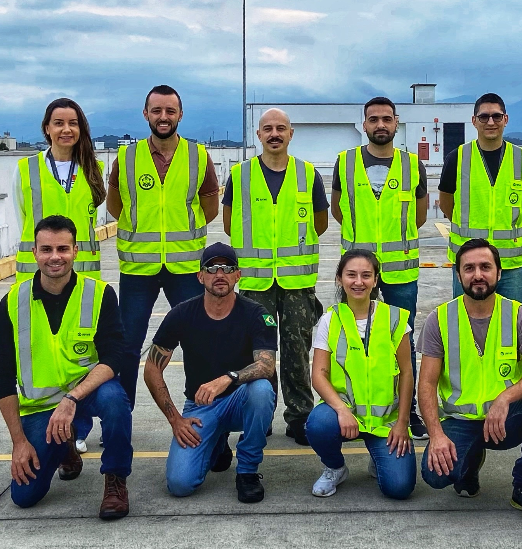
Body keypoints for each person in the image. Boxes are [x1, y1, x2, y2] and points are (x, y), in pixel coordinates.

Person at [0, 215, 132, 520]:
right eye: (47, 249)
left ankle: (115, 480)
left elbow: (115, 356)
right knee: (24, 497)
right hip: (41, 406)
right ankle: (64, 445)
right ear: (35, 252)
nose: (55, 257)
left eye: (63, 249)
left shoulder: (99, 294)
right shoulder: (13, 302)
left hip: (88, 391)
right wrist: (18, 442)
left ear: (76, 250)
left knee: (116, 401)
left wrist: (72, 399)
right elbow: (2, 375)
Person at [418, 238, 522, 521]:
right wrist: (435, 435)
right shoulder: (440, 318)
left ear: (499, 273)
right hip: (461, 420)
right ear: (459, 275)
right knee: (435, 476)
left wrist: (505, 398)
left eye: (485, 267)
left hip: (506, 420)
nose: (478, 274)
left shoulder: (518, 314)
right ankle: (468, 464)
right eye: (469, 268)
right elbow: (427, 384)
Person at [106, 85, 221, 407]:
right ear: (146, 114)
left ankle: (200, 408)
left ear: (180, 115)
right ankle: (121, 412)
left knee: (198, 341)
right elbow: (116, 206)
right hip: (138, 268)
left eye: (170, 111)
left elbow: (209, 208)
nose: (163, 117)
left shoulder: (198, 156)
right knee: (128, 344)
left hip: (186, 268)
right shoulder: (127, 157)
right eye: (156, 110)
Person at [223, 108, 329, 446]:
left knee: (297, 349)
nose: (274, 134)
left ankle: (299, 417)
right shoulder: (239, 176)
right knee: (258, 352)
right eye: (267, 128)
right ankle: (261, 414)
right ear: (258, 134)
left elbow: (320, 223)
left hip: (297, 283)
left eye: (280, 128)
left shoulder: (308, 174)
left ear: (291, 133)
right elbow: (229, 223)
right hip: (255, 285)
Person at [142, 243, 278, 503]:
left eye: (227, 268)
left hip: (241, 401)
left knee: (262, 389)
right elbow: (151, 368)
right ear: (200, 276)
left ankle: (247, 471)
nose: (220, 274)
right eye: (212, 268)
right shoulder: (182, 314)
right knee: (180, 484)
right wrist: (175, 420)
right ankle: (216, 443)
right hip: (201, 406)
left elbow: (266, 365)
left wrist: (228, 377)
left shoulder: (256, 314)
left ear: (238, 275)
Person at [13, 98, 109, 454]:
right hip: (36, 279)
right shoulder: (26, 169)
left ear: (81, 129)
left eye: (73, 123)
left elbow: (95, 220)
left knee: (83, 353)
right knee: (41, 354)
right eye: (58, 122)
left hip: (83, 278)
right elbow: (21, 214)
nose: (66, 129)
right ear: (47, 129)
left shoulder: (92, 169)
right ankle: (42, 421)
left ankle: (78, 427)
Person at [330, 96, 429, 440]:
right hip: (357, 272)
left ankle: (408, 409)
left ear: (396, 122)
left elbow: (419, 215)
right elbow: (338, 210)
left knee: (403, 345)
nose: (380, 125)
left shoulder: (412, 165)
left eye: (387, 119)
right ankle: (352, 408)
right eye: (373, 119)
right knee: (353, 342)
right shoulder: (345, 162)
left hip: (400, 272)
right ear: (364, 124)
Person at [306, 249, 416, 499]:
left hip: (385, 420)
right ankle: (335, 467)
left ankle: (379, 459)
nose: (358, 282)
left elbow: (408, 374)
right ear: (339, 279)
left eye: (366, 275)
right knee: (318, 424)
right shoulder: (330, 320)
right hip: (344, 412)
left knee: (399, 488)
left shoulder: (395, 319)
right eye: (351, 275)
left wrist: (402, 423)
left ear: (376, 280)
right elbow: (319, 375)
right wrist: (342, 411)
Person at [438, 93, 522, 303]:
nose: (491, 122)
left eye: (496, 116)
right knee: (466, 325)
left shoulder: (521, 158)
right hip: (468, 262)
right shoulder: (457, 158)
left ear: (506, 119)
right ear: (474, 121)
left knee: (511, 326)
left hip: (510, 265)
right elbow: (446, 204)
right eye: (484, 117)